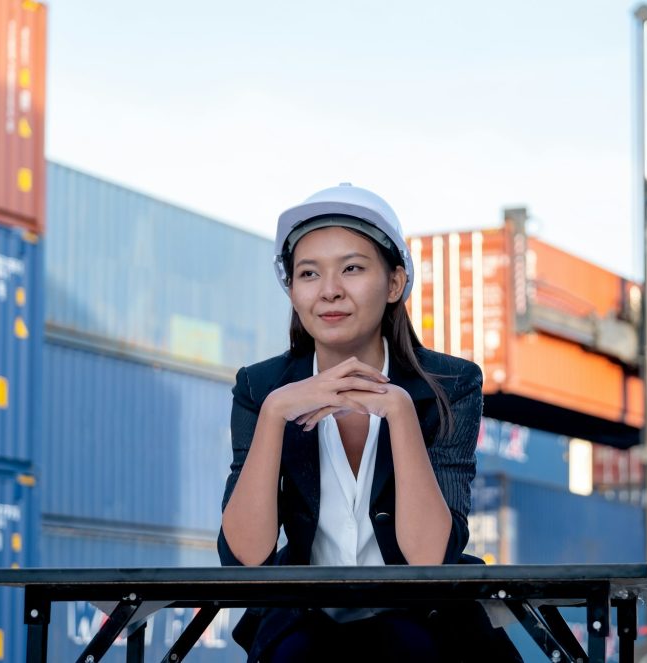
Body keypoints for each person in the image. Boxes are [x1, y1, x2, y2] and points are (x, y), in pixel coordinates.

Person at [217, 183, 522, 662]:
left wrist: (399, 412)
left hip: (425, 618)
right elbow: (243, 557)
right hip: (304, 620)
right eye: (309, 273)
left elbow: (431, 558)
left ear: (395, 283)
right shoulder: (262, 388)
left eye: (353, 268)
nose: (330, 290)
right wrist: (276, 413)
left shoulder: (451, 384)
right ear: (292, 291)